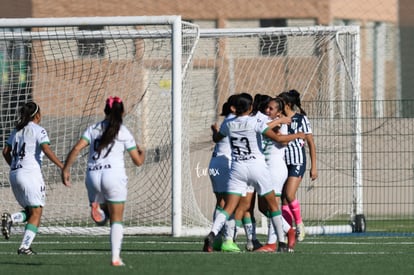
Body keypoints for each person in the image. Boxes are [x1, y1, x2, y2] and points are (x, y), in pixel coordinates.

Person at [203, 92, 304, 253]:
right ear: (250, 107)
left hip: (237, 169)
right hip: (257, 167)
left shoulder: (228, 124)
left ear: (234, 108)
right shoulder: (255, 122)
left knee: (229, 207)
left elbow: (217, 139)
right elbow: (277, 139)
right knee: (272, 205)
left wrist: (215, 131)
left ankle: (213, 233)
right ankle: (281, 242)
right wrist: (298, 135)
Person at [61, 96, 145, 266]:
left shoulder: (93, 128)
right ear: (122, 112)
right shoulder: (123, 132)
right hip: (113, 176)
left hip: (93, 176)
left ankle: (97, 207)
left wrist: (66, 169)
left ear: (105, 111)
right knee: (117, 219)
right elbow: (137, 161)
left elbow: (77, 148)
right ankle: (115, 258)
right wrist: (142, 152)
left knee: (102, 216)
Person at [1, 102, 66, 255]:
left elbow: (5, 151)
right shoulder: (39, 130)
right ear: (37, 115)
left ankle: (12, 218)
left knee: (31, 211)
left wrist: (14, 166)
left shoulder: (16, 130)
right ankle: (24, 247)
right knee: (37, 212)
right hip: (30, 174)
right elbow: (46, 148)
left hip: (15, 173)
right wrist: (62, 166)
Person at [255, 96, 297, 252]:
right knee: (262, 207)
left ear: (279, 112)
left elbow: (283, 141)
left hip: (275, 168)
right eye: (267, 108)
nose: (267, 110)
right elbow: (260, 128)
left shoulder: (282, 122)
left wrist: (280, 122)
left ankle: (272, 242)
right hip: (263, 168)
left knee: (273, 206)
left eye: (271, 108)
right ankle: (288, 229)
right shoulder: (264, 121)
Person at [278, 90, 318, 242]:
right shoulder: (278, 119)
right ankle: (289, 231)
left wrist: (314, 166)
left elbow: (310, 143)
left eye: (280, 101)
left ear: (287, 104)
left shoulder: (301, 119)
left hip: (297, 161)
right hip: (281, 162)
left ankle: (299, 224)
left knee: (289, 194)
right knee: (284, 198)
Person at [208, 95, 239, 252]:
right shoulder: (236, 120)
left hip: (215, 164)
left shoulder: (227, 121)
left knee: (221, 203)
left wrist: (216, 132)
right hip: (226, 164)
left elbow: (217, 138)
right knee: (230, 204)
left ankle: (217, 240)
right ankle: (228, 240)